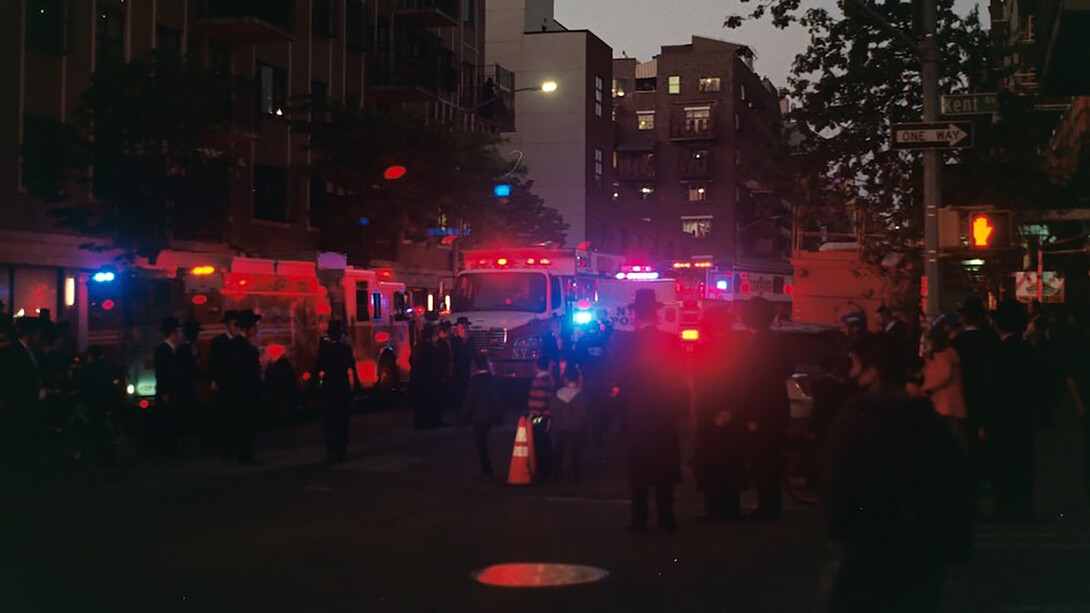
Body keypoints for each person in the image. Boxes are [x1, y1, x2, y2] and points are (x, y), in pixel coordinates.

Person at [825, 333, 974, 613]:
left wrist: (840, 530)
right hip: (920, 548)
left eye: (856, 364)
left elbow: (839, 484)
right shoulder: (924, 418)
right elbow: (955, 480)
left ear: (872, 371)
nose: (853, 371)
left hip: (869, 543)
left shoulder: (857, 415)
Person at [623, 288, 688, 534]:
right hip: (664, 410)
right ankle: (666, 517)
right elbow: (680, 377)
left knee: (639, 466)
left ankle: (639, 520)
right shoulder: (670, 341)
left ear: (637, 315)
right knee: (665, 466)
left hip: (639, 410)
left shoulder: (628, 342)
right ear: (657, 314)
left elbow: (622, 376)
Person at [982, 299, 1041, 522]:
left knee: (1003, 465)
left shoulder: (998, 354)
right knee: (1024, 463)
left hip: (1001, 420)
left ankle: (1005, 508)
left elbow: (991, 391)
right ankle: (1023, 507)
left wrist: (985, 421)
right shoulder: (1027, 351)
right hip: (1024, 417)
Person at [738, 297, 794, 519]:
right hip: (778, 406)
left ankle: (766, 506)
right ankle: (773, 504)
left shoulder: (756, 345)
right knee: (773, 458)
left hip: (762, 410)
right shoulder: (779, 341)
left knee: (763, 459)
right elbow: (788, 369)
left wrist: (751, 415)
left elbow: (753, 382)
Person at [691, 308, 746, 520]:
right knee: (732, 462)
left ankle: (712, 507)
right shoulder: (740, 348)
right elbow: (745, 384)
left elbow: (702, 386)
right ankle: (732, 507)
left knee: (711, 462)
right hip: (733, 414)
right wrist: (732, 410)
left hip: (710, 414)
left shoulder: (704, 349)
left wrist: (711, 412)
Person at [952, 295, 999, 476]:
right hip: (985, 391)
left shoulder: (957, 342)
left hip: (963, 392)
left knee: (967, 436)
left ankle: (971, 472)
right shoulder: (990, 339)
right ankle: (986, 472)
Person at [314, 320, 359, 465]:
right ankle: (341, 452)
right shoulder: (345, 349)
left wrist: (313, 388)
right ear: (340, 334)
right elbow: (352, 368)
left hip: (328, 388)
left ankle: (330, 450)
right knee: (342, 421)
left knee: (329, 422)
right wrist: (356, 387)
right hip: (342, 387)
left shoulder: (324, 349)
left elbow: (317, 369)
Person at [1, 318, 43, 469]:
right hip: (19, 400)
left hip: (24, 400)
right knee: (19, 431)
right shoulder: (15, 352)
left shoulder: (25, 351)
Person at [921, 322, 969, 450]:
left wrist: (925, 388)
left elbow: (942, 377)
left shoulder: (943, 357)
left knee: (952, 441)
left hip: (947, 405)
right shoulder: (946, 355)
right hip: (948, 404)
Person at [225, 309, 263, 465]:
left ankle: (240, 454)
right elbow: (254, 375)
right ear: (248, 328)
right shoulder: (249, 350)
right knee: (248, 426)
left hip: (234, 392)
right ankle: (247, 456)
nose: (256, 329)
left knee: (239, 425)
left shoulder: (231, 346)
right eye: (254, 326)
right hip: (248, 394)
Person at [548, 365, 591, 482]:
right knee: (574, 450)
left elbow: (552, 410)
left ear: (565, 379)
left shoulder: (558, 395)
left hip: (560, 425)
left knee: (559, 448)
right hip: (575, 427)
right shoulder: (581, 395)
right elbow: (584, 413)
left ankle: (556, 471)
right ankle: (574, 473)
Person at [460, 353, 500, 477]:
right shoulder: (492, 379)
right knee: (482, 441)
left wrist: (462, 416)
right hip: (488, 415)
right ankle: (487, 469)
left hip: (478, 415)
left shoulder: (474, 381)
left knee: (480, 443)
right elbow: (496, 399)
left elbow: (469, 400)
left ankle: (486, 469)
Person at [208, 310, 239, 457]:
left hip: (236, 386)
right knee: (225, 418)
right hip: (224, 386)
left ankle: (233, 447)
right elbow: (213, 363)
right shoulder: (218, 342)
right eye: (234, 324)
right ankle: (225, 449)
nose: (236, 328)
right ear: (227, 326)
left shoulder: (240, 342)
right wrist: (214, 380)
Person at [153, 316, 183, 458]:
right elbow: (162, 372)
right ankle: (169, 449)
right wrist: (165, 391)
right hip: (168, 391)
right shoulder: (165, 351)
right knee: (169, 420)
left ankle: (170, 449)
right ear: (172, 334)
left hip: (170, 390)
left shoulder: (164, 350)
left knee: (171, 419)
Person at [527, 354, 556, 478]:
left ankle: (543, 469)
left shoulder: (539, 380)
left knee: (539, 441)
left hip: (539, 415)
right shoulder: (549, 379)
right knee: (544, 440)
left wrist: (533, 414)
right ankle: (549, 468)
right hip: (546, 415)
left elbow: (539, 399)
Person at [409, 324, 443, 429]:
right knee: (428, 401)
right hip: (428, 379)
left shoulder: (417, 348)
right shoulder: (431, 349)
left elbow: (411, 360)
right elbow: (436, 363)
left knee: (419, 403)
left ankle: (419, 423)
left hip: (417, 379)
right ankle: (429, 422)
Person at [450, 317, 475, 422]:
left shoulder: (471, 340)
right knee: (459, 395)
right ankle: (459, 416)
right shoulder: (454, 341)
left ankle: (467, 416)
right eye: (461, 328)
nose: (464, 330)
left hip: (468, 371)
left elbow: (473, 354)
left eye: (465, 327)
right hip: (458, 371)